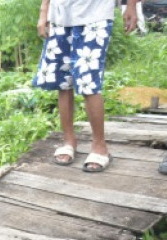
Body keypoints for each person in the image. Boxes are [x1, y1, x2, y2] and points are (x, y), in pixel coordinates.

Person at [33, 0, 137, 173]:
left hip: (96, 15)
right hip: (60, 14)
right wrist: (44, 11)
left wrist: (131, 5)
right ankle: (69, 140)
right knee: (63, 81)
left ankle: (99, 146)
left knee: (89, 81)